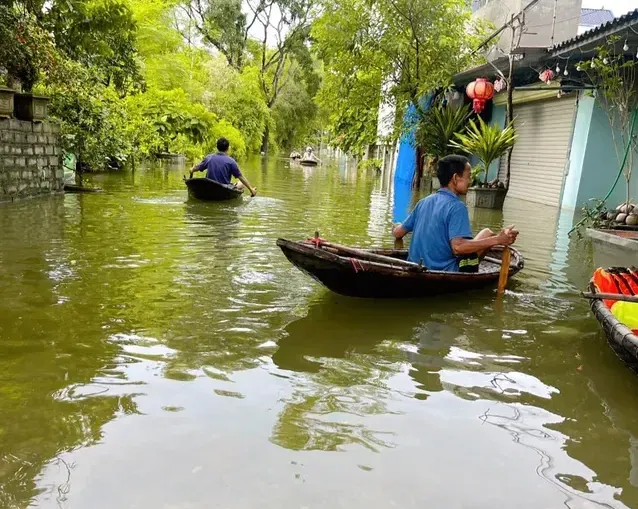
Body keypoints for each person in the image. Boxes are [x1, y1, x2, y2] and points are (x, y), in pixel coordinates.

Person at [392, 154, 518, 272]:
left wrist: (396, 226)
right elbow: (458, 247)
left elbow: (398, 233)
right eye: (468, 176)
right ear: (456, 178)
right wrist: (498, 240)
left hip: (416, 266)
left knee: (487, 233)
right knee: (489, 235)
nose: (470, 181)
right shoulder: (457, 207)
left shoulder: (423, 202)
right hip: (445, 270)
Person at [189, 137, 257, 197]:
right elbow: (241, 177)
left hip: (209, 187)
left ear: (217, 147)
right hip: (224, 189)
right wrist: (251, 189)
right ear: (228, 148)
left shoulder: (209, 158)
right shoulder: (231, 161)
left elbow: (197, 168)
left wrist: (191, 169)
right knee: (241, 184)